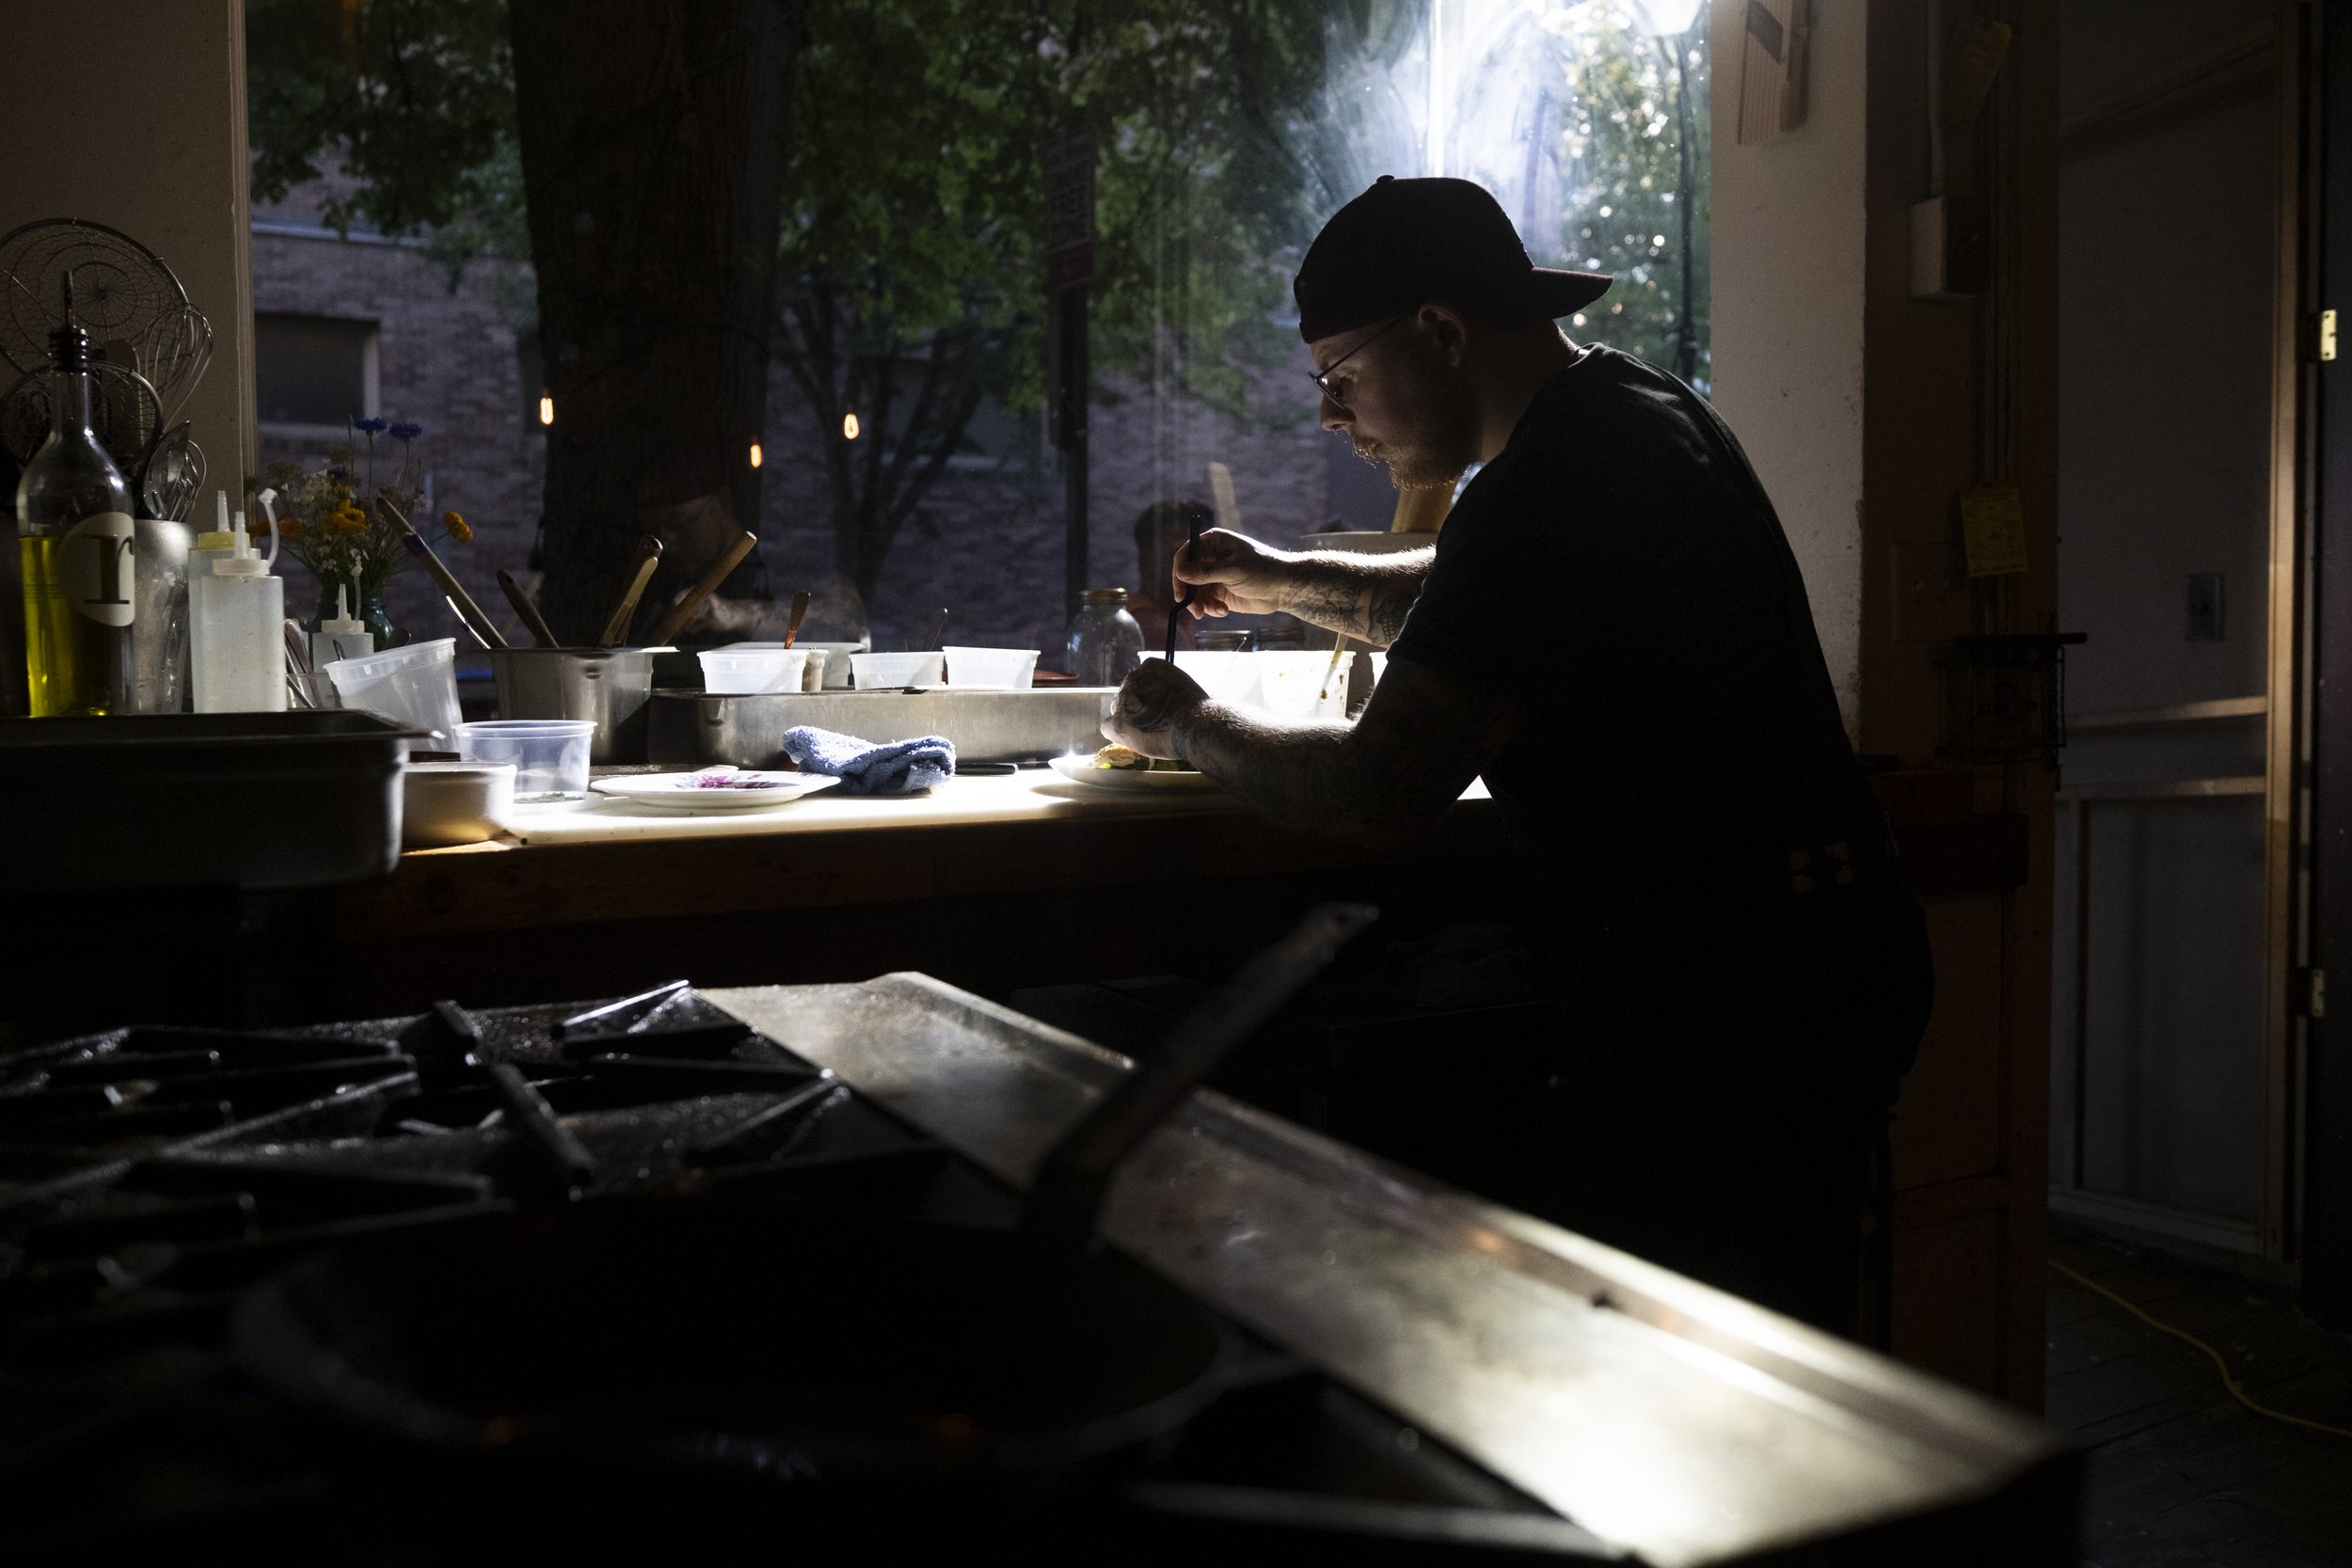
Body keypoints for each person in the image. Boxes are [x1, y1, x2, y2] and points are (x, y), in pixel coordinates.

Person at [1101, 176, 1932, 1333]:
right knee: (1763, 1338)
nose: (1332, 415)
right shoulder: (1627, 414)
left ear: (1439, 332)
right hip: (1794, 957)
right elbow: (1474, 601)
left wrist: (1179, 723)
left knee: (1708, 1373)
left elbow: (1376, 788)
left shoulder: (1559, 477)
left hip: (1735, 998)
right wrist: (1287, 577)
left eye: (1339, 377)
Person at [1124, 499, 1210, 655]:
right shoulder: (1158, 629)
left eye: (1201, 556)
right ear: (1145, 563)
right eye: (1180, 557)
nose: (1198, 568)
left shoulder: (1171, 620)